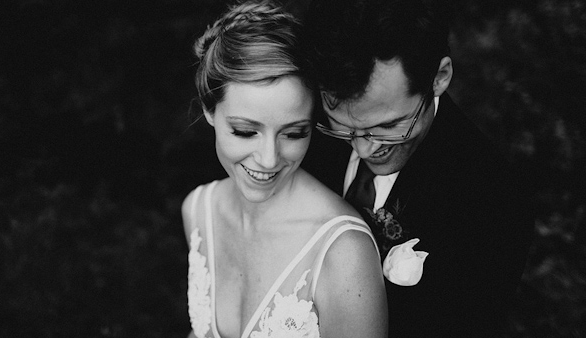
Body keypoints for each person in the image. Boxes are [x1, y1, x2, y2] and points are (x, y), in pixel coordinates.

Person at [301, 0, 534, 336]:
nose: (364, 148)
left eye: (390, 126)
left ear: (438, 78)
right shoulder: (301, 129)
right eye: (343, 127)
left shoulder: (495, 203)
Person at [181, 1, 388, 338]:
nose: (268, 159)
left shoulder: (343, 251)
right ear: (209, 108)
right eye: (246, 131)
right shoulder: (198, 210)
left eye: (294, 133)